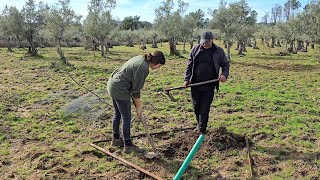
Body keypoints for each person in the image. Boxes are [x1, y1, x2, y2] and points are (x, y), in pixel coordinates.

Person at [107, 51, 165, 153]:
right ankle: (128, 145)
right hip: (120, 89)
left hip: (113, 84)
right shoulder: (143, 68)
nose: (158, 68)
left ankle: (115, 139)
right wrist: (138, 106)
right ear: (156, 63)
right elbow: (135, 90)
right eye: (159, 66)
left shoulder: (142, 59)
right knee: (126, 117)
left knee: (118, 113)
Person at [183, 31, 230, 134]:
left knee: (204, 109)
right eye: (203, 42)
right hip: (195, 85)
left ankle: (201, 131)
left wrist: (224, 75)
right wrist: (186, 79)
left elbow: (225, 65)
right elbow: (189, 65)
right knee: (196, 108)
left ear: (212, 40)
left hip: (209, 86)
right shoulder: (195, 49)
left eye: (207, 42)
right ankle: (200, 126)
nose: (205, 44)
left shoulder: (218, 51)